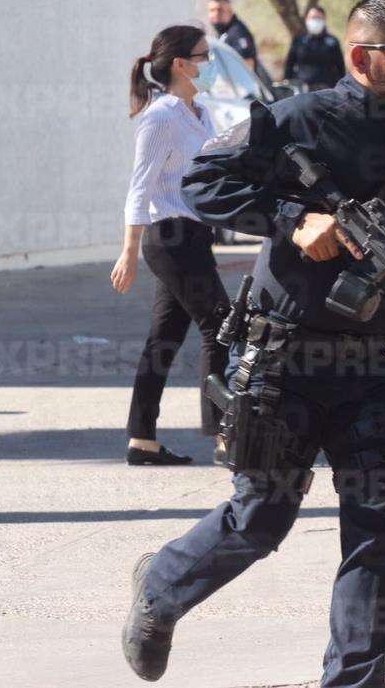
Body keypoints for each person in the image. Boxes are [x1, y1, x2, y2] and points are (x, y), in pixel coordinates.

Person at [122, 0, 385, 686]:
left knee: (378, 530)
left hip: (382, 367)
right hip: (289, 358)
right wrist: (289, 217)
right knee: (261, 518)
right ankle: (161, 586)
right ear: (364, 59)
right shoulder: (296, 120)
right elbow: (202, 182)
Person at [112, 25, 230, 467]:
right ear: (181, 64)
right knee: (221, 324)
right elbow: (139, 188)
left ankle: (142, 439)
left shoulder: (199, 113)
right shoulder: (160, 117)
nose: (209, 64)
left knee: (163, 339)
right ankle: (224, 434)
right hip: (169, 237)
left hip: (195, 235)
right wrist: (129, 251)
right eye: (204, 56)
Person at [283, 5, 347, 91]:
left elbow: (340, 68)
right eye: (312, 18)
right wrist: (288, 82)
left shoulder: (332, 42)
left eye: (318, 18)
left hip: (327, 90)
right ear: (306, 19)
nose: (315, 21)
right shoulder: (299, 40)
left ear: (324, 20)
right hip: (303, 90)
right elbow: (289, 64)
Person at [207, 0, 259, 72]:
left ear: (230, 11)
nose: (216, 14)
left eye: (220, 10)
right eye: (212, 10)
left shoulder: (238, 33)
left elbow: (248, 64)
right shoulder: (224, 32)